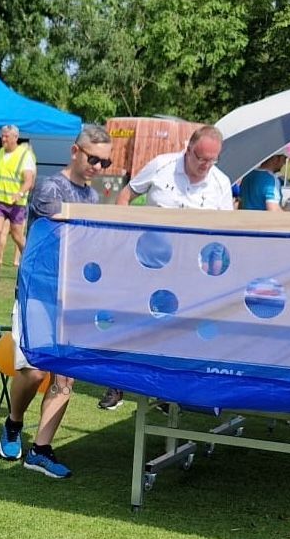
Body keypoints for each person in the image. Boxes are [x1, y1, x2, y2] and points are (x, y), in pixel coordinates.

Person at [0, 125, 113, 478]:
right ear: (75, 151)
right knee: (34, 372)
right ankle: (14, 423)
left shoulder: (93, 197)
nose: (97, 167)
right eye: (93, 158)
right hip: (38, 292)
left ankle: (40, 451)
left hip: (72, 298)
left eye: (105, 163)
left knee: (65, 378)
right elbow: (68, 237)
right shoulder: (50, 188)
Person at [98, 125, 233, 410]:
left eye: (212, 160)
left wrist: (216, 275)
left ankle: (163, 390)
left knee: (174, 329)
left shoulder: (221, 183)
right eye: (200, 158)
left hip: (190, 273)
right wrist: (122, 235)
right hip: (148, 263)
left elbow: (224, 236)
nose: (205, 165)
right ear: (188, 149)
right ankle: (117, 384)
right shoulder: (161, 166)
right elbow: (126, 194)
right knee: (132, 321)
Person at [0, 125, 36, 283]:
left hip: (16, 204)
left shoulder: (25, 155)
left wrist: (20, 193)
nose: (3, 139)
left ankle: (31, 263)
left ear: (15, 137)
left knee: (17, 236)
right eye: (2, 136)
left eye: (6, 136)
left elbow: (29, 180)